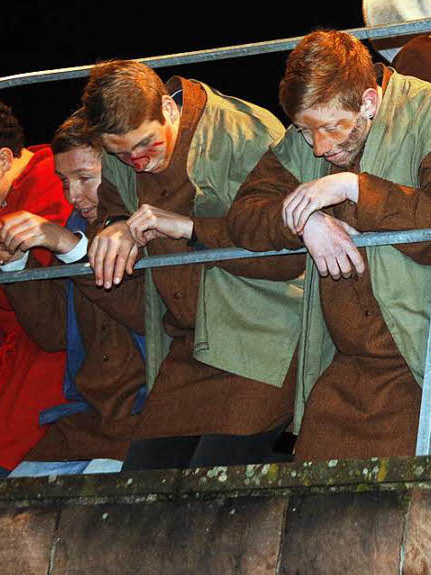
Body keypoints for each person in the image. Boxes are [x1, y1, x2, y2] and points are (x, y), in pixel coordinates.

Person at [227, 29, 431, 460]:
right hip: (352, 368)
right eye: (305, 130)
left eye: (331, 127)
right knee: (308, 500)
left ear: (370, 103)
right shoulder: (310, 136)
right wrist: (304, 219)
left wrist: (354, 187)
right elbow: (242, 217)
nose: (319, 146)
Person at [80, 60, 302, 470]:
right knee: (138, 488)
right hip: (187, 349)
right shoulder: (123, 152)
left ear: (167, 107)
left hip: (265, 339)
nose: (138, 162)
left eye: (146, 144)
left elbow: (288, 252)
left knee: (210, 489)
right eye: (121, 154)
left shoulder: (245, 133)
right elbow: (110, 203)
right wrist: (112, 226)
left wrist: (190, 227)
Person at [0, 111, 148, 477]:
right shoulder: (76, 227)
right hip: (87, 417)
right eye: (64, 182)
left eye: (85, 178)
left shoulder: (150, 223)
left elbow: (147, 314)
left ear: (121, 168)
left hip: (150, 414)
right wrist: (15, 264)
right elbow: (53, 334)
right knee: (1, 508)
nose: (72, 196)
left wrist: (70, 247)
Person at [0, 93, 70, 479]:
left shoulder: (54, 181)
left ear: (5, 159)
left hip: (39, 373)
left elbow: (22, 299)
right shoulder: (4, 191)